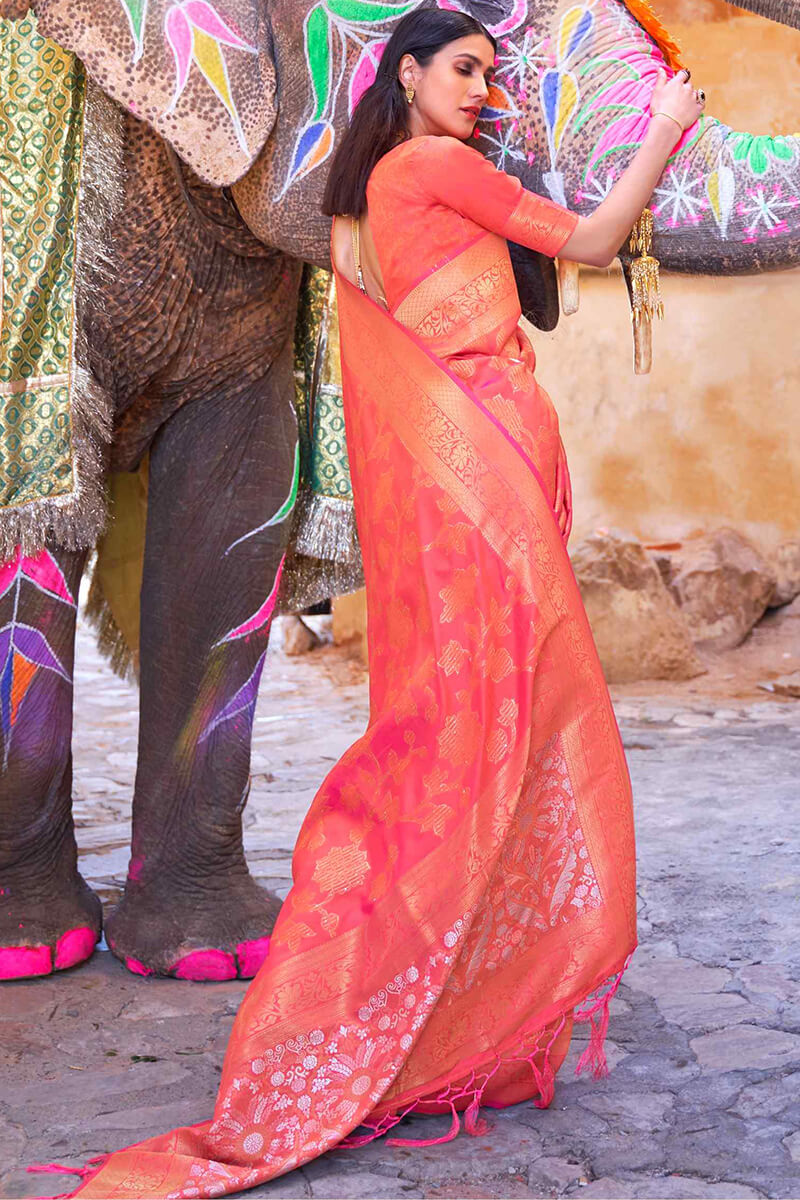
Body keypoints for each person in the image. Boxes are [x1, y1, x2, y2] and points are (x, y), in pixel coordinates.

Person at [49, 9, 703, 1198]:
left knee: (459, 722)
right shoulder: (436, 162)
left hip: (460, 475)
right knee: (513, 718)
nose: (481, 91)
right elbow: (597, 239)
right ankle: (460, 997)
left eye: (490, 75)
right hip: (490, 462)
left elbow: (406, 313)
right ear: (403, 73)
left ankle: (439, 994)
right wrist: (657, 129)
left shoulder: (358, 204)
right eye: (464, 70)